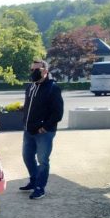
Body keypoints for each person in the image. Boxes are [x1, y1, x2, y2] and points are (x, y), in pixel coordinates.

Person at [20, 59, 64, 200]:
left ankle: (40, 187)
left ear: (45, 71)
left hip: (44, 133)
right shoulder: (30, 87)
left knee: (43, 160)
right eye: (32, 70)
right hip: (28, 131)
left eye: (36, 70)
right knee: (27, 156)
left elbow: (58, 113)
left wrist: (45, 127)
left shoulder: (53, 88)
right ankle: (34, 181)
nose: (33, 72)